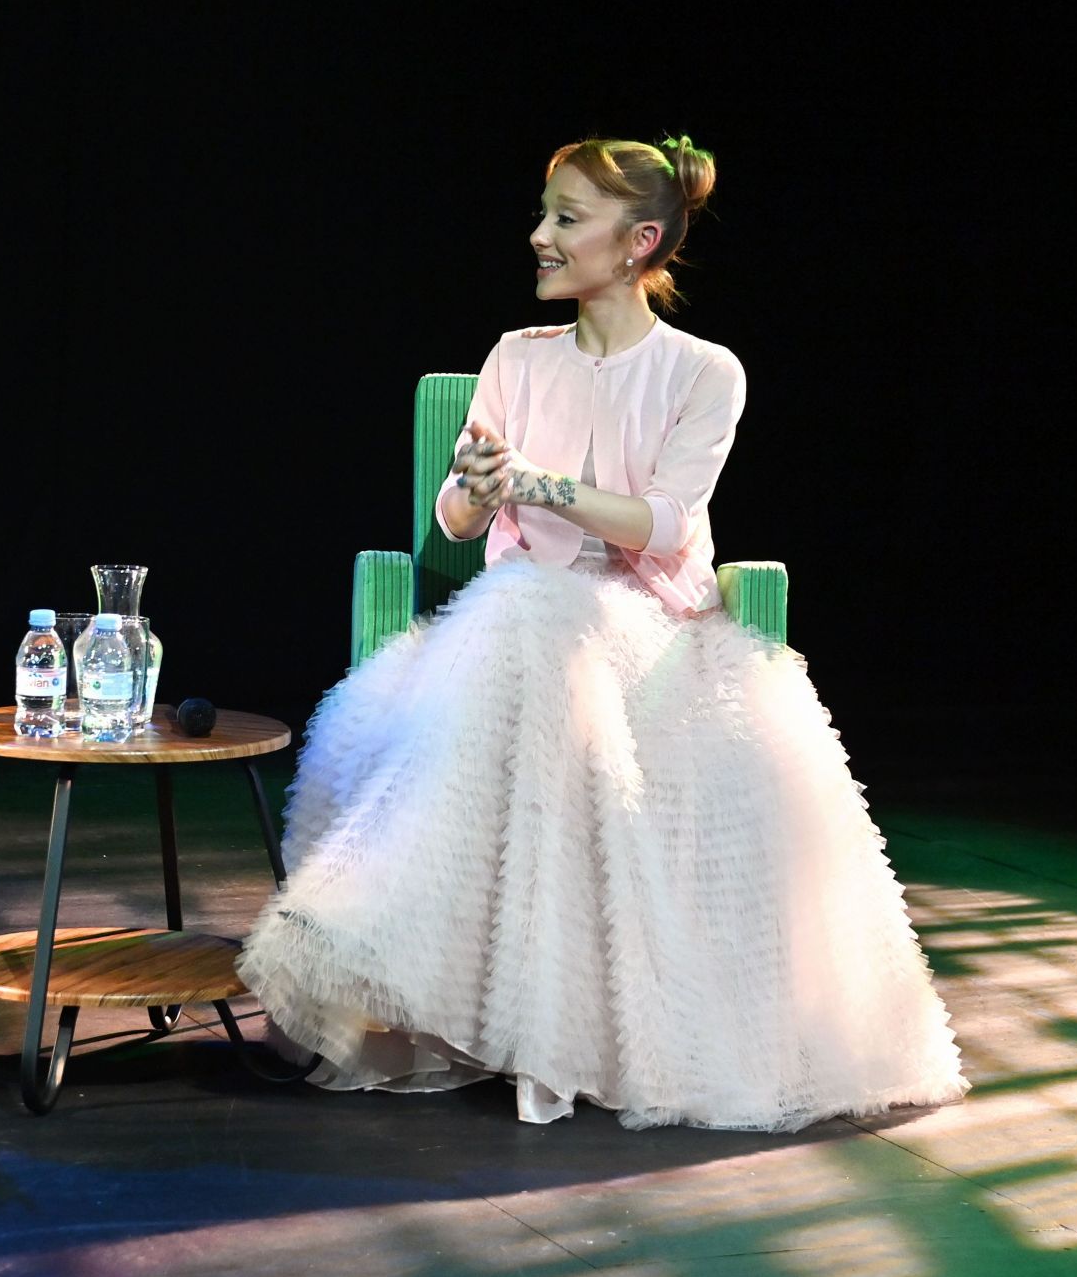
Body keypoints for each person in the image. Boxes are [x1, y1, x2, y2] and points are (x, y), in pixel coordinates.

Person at [238, 135, 968, 1131]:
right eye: (545, 214)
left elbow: (666, 524)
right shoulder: (515, 358)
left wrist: (537, 487)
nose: (540, 236)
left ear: (639, 242)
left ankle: (448, 970)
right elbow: (457, 524)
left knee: (536, 616)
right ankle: (393, 952)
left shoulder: (703, 372)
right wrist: (474, 486)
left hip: (644, 629)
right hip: (514, 622)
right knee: (509, 625)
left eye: (565, 219)